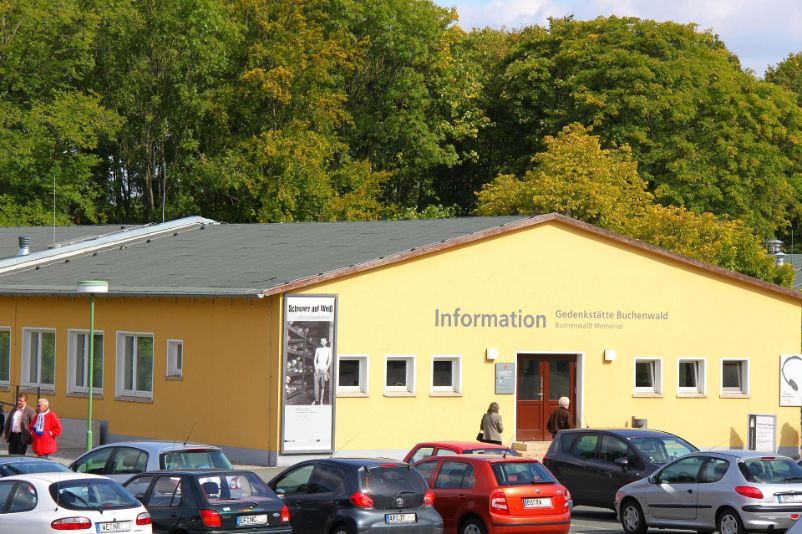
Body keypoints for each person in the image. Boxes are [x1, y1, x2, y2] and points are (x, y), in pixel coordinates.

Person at [313, 337, 332, 405]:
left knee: (322, 386)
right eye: (321, 341)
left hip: (324, 369)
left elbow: (329, 360)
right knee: (316, 385)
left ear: (326, 342)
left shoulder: (329, 349)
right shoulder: (318, 349)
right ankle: (316, 400)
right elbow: (315, 359)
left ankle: (321, 401)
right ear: (320, 342)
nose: (322, 342)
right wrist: (316, 368)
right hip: (317, 369)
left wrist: (326, 369)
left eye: (324, 341)